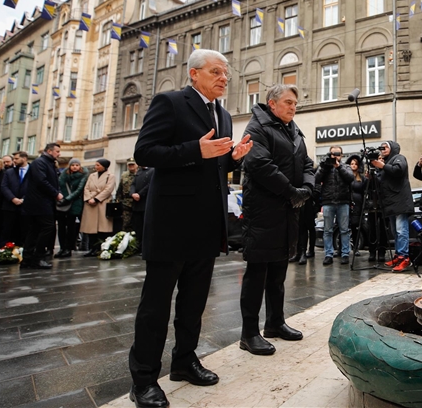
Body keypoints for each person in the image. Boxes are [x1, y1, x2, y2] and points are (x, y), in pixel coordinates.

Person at [129, 49, 252, 407]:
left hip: (206, 225)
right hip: (171, 223)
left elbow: (214, 168)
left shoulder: (224, 115)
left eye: (226, 73)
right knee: (155, 307)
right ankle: (144, 380)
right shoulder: (169, 102)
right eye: (216, 71)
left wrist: (232, 160)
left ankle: (184, 362)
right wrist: (194, 150)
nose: (223, 78)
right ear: (193, 74)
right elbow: (145, 152)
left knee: (194, 303)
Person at [239, 83, 313, 356]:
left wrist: (307, 188)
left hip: (287, 211)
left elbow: (307, 163)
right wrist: (291, 191)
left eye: (295, 103)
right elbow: (259, 165)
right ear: (272, 104)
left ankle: (275, 323)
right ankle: (249, 334)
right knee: (257, 273)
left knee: (279, 273)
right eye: (289, 102)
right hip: (263, 211)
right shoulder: (257, 128)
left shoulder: (293, 130)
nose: (294, 107)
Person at [372, 141, 414, 272]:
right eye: (381, 148)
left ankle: (405, 258)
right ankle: (398, 255)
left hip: (400, 201)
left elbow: (398, 170)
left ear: (392, 149)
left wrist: (383, 166)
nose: (382, 150)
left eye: (385, 148)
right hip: (390, 203)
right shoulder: (385, 163)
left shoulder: (399, 158)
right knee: (395, 232)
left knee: (401, 231)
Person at [21, 143, 63, 270]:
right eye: (57, 151)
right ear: (49, 151)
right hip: (39, 202)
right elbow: (41, 181)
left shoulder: (47, 163)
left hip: (41, 202)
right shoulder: (40, 162)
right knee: (47, 228)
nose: (59, 154)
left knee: (35, 230)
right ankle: (37, 258)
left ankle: (28, 259)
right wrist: (56, 193)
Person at [314, 146, 354, 265]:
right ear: (329, 154)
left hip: (343, 202)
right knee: (327, 230)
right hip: (328, 202)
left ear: (341, 155)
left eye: (338, 153)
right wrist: (325, 167)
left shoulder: (345, 166)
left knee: (344, 230)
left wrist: (339, 167)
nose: (335, 156)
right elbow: (316, 178)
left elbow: (350, 178)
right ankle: (328, 254)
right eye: (333, 154)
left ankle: (345, 254)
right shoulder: (324, 167)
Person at [79, 159, 115, 257]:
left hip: (102, 203)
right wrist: (89, 198)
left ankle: (100, 248)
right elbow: (86, 188)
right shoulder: (92, 175)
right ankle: (92, 248)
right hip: (90, 205)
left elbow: (108, 190)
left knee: (101, 228)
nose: (96, 167)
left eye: (98, 165)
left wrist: (96, 199)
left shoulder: (110, 176)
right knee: (91, 228)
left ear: (104, 166)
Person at [54, 158, 88, 258]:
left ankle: (69, 248)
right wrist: (62, 199)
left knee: (71, 227)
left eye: (77, 165)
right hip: (63, 203)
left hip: (75, 203)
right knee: (61, 227)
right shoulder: (64, 175)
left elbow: (79, 189)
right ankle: (62, 248)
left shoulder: (84, 175)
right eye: (73, 165)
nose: (75, 167)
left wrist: (68, 198)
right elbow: (60, 186)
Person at [0, 151, 29, 247]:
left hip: (26, 207)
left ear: (24, 158)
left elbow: (35, 187)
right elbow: (4, 186)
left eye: (16, 159)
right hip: (10, 206)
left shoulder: (33, 171)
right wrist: (12, 198)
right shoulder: (9, 172)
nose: (14, 161)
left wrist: (24, 199)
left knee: (24, 231)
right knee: (7, 230)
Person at [346, 155, 370, 259]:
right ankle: (343, 249)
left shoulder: (362, 178)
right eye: (351, 164)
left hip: (358, 204)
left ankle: (355, 248)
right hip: (347, 203)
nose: (353, 166)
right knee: (344, 226)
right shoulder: (346, 176)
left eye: (355, 164)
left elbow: (365, 191)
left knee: (356, 227)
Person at [128, 163, 154, 245]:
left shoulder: (152, 170)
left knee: (145, 225)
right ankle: (138, 244)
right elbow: (133, 184)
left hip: (145, 202)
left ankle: (145, 245)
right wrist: (132, 193)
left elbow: (150, 185)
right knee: (138, 225)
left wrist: (140, 194)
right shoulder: (139, 172)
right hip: (137, 203)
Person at [118, 159, 138, 232]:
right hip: (126, 203)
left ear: (136, 165)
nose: (131, 166)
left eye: (133, 165)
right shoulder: (124, 175)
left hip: (137, 202)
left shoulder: (140, 174)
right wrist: (119, 201)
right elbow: (120, 189)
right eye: (129, 165)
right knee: (126, 224)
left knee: (137, 223)